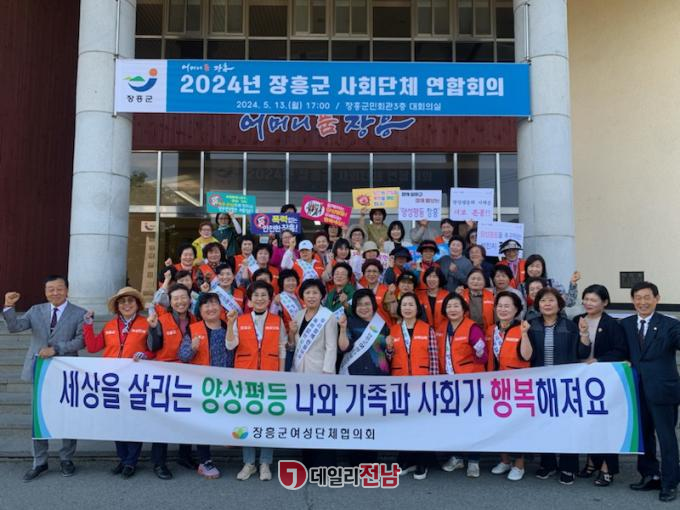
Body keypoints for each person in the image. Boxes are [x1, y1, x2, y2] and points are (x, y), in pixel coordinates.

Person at [2, 276, 86, 481]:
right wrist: (9, 307)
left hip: (66, 370)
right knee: (38, 417)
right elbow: (15, 327)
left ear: (67, 290)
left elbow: (81, 341)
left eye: (59, 288)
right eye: (51, 289)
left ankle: (66, 458)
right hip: (39, 370)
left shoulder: (80, 313)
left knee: (67, 415)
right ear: (45, 292)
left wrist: (56, 349)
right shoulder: (36, 310)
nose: (55, 293)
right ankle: (39, 461)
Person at [83, 287, 152, 479]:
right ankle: (122, 458)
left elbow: (155, 349)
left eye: (130, 301)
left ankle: (131, 461)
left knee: (133, 420)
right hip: (112, 381)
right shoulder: (110, 325)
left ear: (137, 304)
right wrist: (88, 325)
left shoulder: (147, 323)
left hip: (135, 380)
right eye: (122, 302)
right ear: (117, 306)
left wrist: (146, 354)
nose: (126, 305)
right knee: (116, 421)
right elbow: (93, 347)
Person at [620, 281, 680, 502]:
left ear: (657, 298)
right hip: (636, 389)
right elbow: (620, 350)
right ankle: (650, 475)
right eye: (638, 298)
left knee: (666, 437)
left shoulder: (670, 324)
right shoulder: (625, 324)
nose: (642, 302)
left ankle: (670, 482)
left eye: (647, 297)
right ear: (632, 300)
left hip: (663, 390)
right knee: (643, 435)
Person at [226, 281, 287, 481]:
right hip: (246, 378)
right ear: (250, 300)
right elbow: (230, 345)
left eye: (263, 295)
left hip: (270, 377)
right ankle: (249, 463)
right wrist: (230, 324)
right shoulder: (240, 320)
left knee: (268, 419)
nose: (259, 299)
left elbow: (282, 348)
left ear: (269, 299)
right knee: (247, 420)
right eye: (256, 295)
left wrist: (281, 374)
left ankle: (265, 463)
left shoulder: (277, 320)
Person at [525, 287, 582, 485]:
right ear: (537, 305)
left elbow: (580, 352)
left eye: (551, 300)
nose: (547, 304)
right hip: (540, 383)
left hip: (565, 383)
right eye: (543, 301)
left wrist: (584, 335)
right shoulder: (532, 326)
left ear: (559, 304)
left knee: (567, 425)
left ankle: (568, 466)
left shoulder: (570, 326)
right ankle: (548, 464)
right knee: (544, 424)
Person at [573, 284, 627, 487]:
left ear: (604, 302)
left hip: (604, 380)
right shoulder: (577, 320)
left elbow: (620, 350)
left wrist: (598, 360)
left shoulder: (612, 324)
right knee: (588, 422)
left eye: (593, 300)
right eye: (586, 299)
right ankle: (591, 461)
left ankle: (607, 467)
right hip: (581, 378)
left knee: (605, 424)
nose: (588, 303)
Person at [179, 292, 235, 479]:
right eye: (206, 305)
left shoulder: (229, 326)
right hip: (201, 385)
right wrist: (192, 348)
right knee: (202, 421)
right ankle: (205, 461)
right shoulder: (193, 329)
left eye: (214, 304)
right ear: (200, 310)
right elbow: (183, 356)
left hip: (227, 384)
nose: (211, 308)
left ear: (220, 307)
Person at [147, 283, 198, 478]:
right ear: (170, 301)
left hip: (190, 374)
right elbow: (153, 347)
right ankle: (159, 462)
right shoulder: (161, 320)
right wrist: (153, 329)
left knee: (188, 417)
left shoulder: (195, 319)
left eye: (183, 297)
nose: (180, 302)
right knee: (163, 420)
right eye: (176, 298)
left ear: (189, 300)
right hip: (166, 375)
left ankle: (185, 455)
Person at [289, 279, 338, 467]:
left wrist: (327, 374)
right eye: (307, 293)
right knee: (305, 418)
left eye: (315, 293)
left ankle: (325, 463)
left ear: (321, 296)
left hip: (320, 374)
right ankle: (308, 461)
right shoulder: (298, 315)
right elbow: (293, 345)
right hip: (300, 373)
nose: (311, 296)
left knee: (321, 419)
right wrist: (292, 333)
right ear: (302, 296)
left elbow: (331, 347)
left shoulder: (328, 316)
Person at [437, 293, 487, 478]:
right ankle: (457, 457)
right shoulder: (441, 327)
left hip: (470, 382)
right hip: (448, 383)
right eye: (449, 306)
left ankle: (474, 461)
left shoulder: (472, 327)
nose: (452, 309)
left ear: (464, 309)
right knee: (454, 422)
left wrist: (479, 349)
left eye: (456, 306)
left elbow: (483, 356)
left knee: (472, 422)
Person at [390, 292, 439, 480]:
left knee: (422, 425)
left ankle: (422, 462)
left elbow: (433, 358)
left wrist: (432, 384)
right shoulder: (394, 330)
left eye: (411, 304)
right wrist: (388, 349)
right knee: (403, 424)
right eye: (404, 304)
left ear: (417, 308)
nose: (407, 308)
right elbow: (388, 359)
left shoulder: (427, 329)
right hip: (400, 383)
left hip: (422, 384)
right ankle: (406, 460)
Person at [487, 291, 531, 481]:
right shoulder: (491, 330)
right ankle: (504, 460)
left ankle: (519, 465)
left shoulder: (522, 328)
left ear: (516, 309)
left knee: (517, 425)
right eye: (500, 306)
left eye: (507, 306)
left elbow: (527, 355)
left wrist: (525, 334)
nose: (503, 309)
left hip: (516, 384)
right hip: (495, 384)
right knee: (498, 424)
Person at [358, 259, 392, 327]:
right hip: (367, 329)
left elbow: (393, 313)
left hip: (385, 328)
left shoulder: (387, 290)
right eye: (368, 271)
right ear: (364, 273)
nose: (371, 274)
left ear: (379, 273)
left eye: (375, 271)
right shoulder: (361, 292)